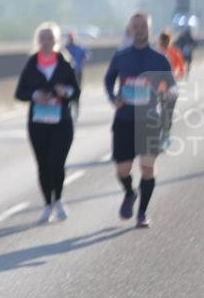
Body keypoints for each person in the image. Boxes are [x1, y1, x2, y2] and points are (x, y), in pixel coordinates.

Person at [104, 12, 179, 228]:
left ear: (150, 29)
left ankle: (142, 213)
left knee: (147, 168)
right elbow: (109, 79)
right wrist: (112, 97)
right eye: (135, 26)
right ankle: (129, 193)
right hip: (124, 119)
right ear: (130, 29)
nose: (139, 29)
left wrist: (166, 100)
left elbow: (172, 87)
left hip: (149, 120)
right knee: (123, 170)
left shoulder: (159, 59)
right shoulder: (121, 56)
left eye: (143, 26)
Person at [14, 22, 81, 223]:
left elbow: (76, 92)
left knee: (56, 162)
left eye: (49, 38)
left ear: (56, 41)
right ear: (37, 41)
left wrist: (65, 92)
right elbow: (20, 92)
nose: (46, 42)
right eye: (42, 38)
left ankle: (58, 199)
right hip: (38, 123)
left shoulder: (65, 63)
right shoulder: (32, 64)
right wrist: (35, 95)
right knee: (43, 164)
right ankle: (47, 204)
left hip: (61, 122)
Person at [62, 30, 91, 121]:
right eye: (70, 38)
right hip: (67, 73)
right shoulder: (65, 48)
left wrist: (83, 60)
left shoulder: (79, 48)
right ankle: (68, 109)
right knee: (67, 91)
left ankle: (76, 109)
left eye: (72, 37)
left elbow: (87, 55)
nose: (71, 39)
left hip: (77, 72)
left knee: (77, 91)